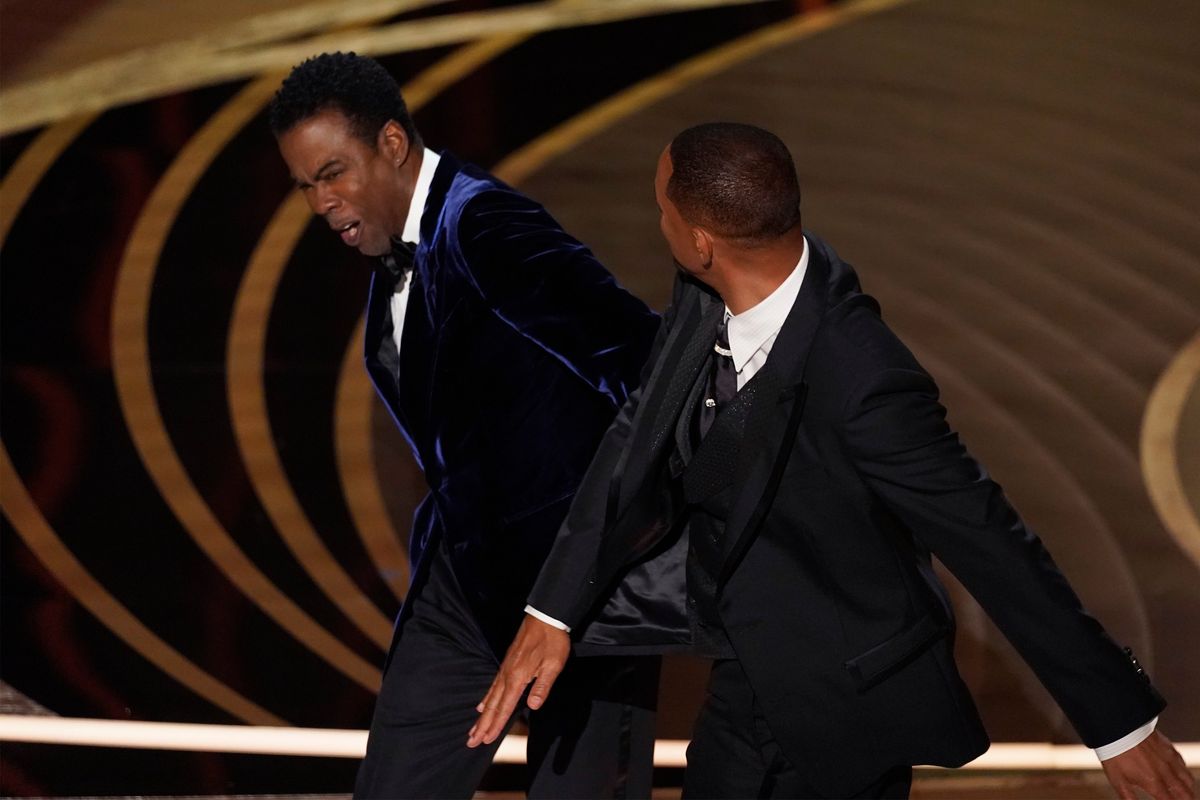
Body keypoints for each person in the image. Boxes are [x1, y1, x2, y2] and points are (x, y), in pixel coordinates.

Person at [469, 123, 1195, 799]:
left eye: (661, 208)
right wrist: (552, 607)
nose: (656, 222)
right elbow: (642, 427)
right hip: (744, 682)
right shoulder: (705, 291)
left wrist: (1119, 725)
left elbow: (992, 542)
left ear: (699, 241)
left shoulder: (864, 379)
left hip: (847, 711)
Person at [269, 52, 661, 799]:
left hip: (575, 598)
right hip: (462, 586)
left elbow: (640, 358)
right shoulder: (396, 258)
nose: (320, 203)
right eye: (305, 186)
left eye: (332, 173)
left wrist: (579, 579)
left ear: (390, 143)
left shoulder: (485, 222)